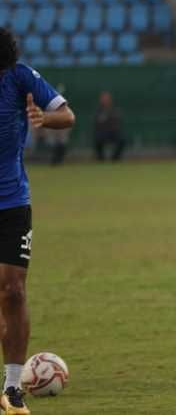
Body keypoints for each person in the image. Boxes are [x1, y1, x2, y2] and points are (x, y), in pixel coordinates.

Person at [0, 28, 76, 415]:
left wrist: (44, 118)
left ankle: (12, 388)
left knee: (13, 291)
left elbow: (68, 115)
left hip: (12, 201)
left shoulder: (19, 77)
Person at [94, 91, 125, 162]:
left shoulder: (113, 109)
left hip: (113, 132)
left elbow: (117, 120)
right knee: (98, 140)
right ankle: (101, 159)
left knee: (122, 140)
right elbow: (97, 122)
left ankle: (115, 159)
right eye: (104, 99)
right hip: (102, 133)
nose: (105, 100)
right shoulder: (99, 110)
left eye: (107, 99)